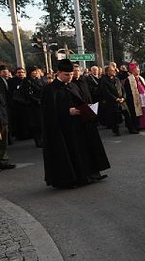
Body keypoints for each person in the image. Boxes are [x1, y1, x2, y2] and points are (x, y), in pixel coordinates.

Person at [42, 59, 109, 188]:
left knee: (84, 150)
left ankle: (89, 174)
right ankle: (70, 179)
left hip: (79, 125)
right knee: (69, 153)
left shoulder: (73, 85)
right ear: (59, 73)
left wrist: (86, 107)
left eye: (71, 74)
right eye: (66, 75)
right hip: (63, 130)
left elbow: (79, 100)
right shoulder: (50, 89)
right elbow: (48, 112)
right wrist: (67, 111)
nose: (70, 77)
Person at [99, 65, 135, 135]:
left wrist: (123, 98)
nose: (114, 71)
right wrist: (116, 99)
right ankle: (116, 131)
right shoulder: (104, 80)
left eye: (114, 70)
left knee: (128, 115)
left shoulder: (117, 79)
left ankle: (131, 129)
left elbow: (123, 89)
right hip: (113, 102)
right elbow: (106, 92)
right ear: (107, 72)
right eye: (112, 70)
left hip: (122, 101)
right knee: (114, 117)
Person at [124, 63, 145, 130]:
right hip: (135, 99)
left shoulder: (141, 78)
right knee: (137, 112)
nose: (139, 70)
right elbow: (128, 91)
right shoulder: (129, 80)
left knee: (144, 110)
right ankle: (138, 125)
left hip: (143, 97)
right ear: (133, 70)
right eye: (137, 69)